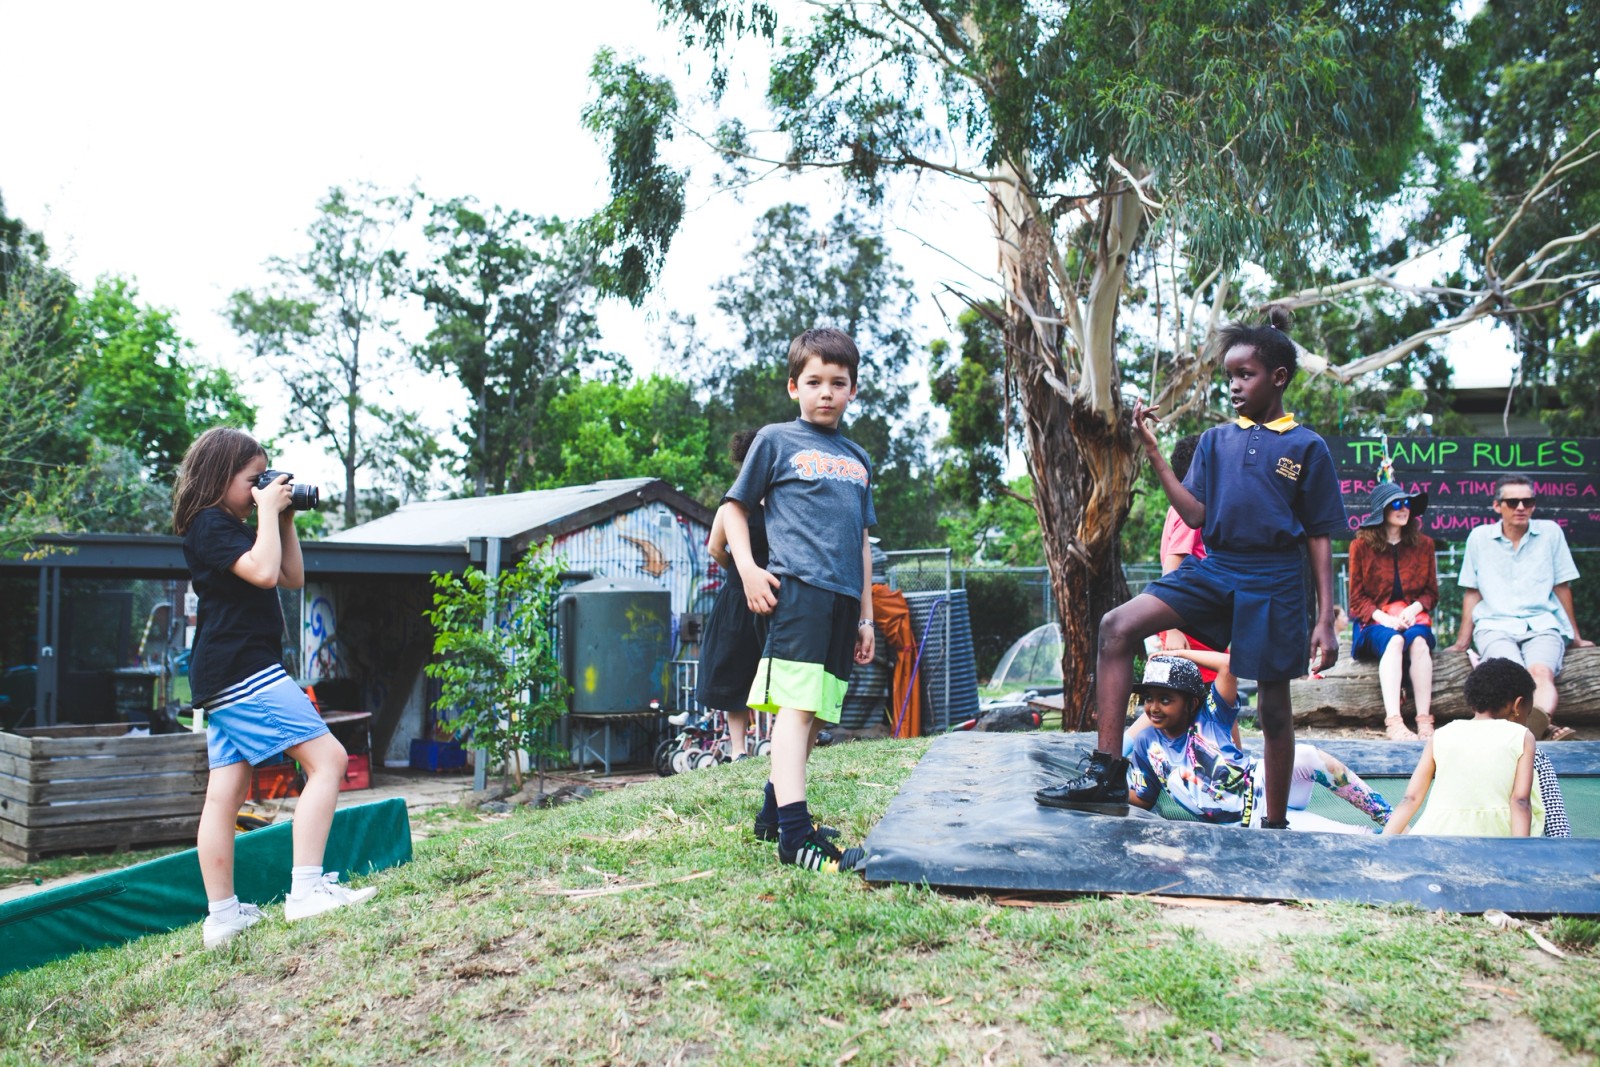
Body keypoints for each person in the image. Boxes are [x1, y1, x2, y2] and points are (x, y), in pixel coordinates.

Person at [1037, 308, 1346, 829]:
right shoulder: (1214, 442)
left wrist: (1323, 616)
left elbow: (1319, 536)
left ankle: (1275, 824)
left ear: (1279, 377)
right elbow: (1195, 514)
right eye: (1229, 376)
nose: (1234, 385)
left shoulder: (1306, 447)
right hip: (1218, 568)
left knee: (1273, 707)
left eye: (1244, 375)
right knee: (1117, 626)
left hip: (1275, 578)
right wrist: (1156, 454)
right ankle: (1108, 772)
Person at [173, 428, 377, 949]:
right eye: (252, 480)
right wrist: (266, 509)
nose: (260, 488)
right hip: (243, 671)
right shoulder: (209, 523)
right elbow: (263, 574)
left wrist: (282, 517)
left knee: (225, 795)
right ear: (220, 478)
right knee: (328, 761)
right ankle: (306, 890)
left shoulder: (235, 524)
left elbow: (289, 575)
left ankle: (222, 918)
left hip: (226, 673)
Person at [721, 328, 876, 874]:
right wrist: (748, 571)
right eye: (814, 382)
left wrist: (866, 617)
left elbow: (860, 541)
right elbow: (734, 510)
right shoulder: (775, 440)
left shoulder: (858, 458)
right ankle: (794, 836)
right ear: (794, 386)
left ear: (853, 389)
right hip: (798, 593)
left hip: (840, 602)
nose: (826, 392)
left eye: (838, 382)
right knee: (798, 709)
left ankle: (771, 815)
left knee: (814, 718)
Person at [1123, 654, 1392, 831]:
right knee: (1355, 836)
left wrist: (1179, 655)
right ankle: (1385, 836)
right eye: (1149, 698)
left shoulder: (1210, 715)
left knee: (1308, 755)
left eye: (1165, 699)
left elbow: (1228, 665)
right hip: (1252, 821)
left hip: (1264, 781)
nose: (1153, 707)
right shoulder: (1147, 743)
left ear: (1191, 703)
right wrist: (1108, 793)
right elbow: (1143, 798)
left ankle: (1388, 815)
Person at [1449, 474, 1591, 740]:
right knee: (1511, 673)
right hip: (1495, 624)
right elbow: (1472, 591)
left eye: (1528, 501)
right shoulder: (1479, 537)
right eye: (1512, 501)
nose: (1521, 507)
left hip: (1542, 622)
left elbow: (1562, 587)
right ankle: (1543, 727)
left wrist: (1576, 636)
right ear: (1497, 505)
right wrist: (1461, 642)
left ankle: (1532, 726)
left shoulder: (1550, 533)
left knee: (1540, 672)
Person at [1383, 657, 1542, 837]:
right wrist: (1522, 853)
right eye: (1527, 713)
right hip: (1495, 835)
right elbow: (1520, 801)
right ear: (1517, 705)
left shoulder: (1442, 734)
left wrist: (1383, 844)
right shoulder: (1520, 736)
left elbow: (1410, 799)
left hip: (1438, 835)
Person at [1347, 481, 1440, 741]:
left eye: (1407, 503)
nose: (1404, 509)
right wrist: (1385, 619)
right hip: (1374, 622)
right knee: (1395, 639)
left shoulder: (1424, 544)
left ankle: (1424, 721)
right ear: (1382, 510)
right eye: (1396, 504)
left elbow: (1431, 593)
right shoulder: (1361, 546)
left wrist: (1414, 608)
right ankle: (1395, 722)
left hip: (1413, 619)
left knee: (1419, 643)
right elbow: (1356, 599)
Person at [700, 430, 764, 763]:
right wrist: (739, 573)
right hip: (739, 600)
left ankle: (770, 742)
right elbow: (715, 548)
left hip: (773, 597)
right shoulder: (731, 504)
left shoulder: (778, 498)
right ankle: (739, 750)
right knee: (734, 674)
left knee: (773, 673)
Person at [1155, 435, 1220, 684]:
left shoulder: (1187, 506)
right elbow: (1172, 567)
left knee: (1217, 695)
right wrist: (1173, 629)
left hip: (1196, 621)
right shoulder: (1190, 511)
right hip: (1185, 624)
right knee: (1209, 692)